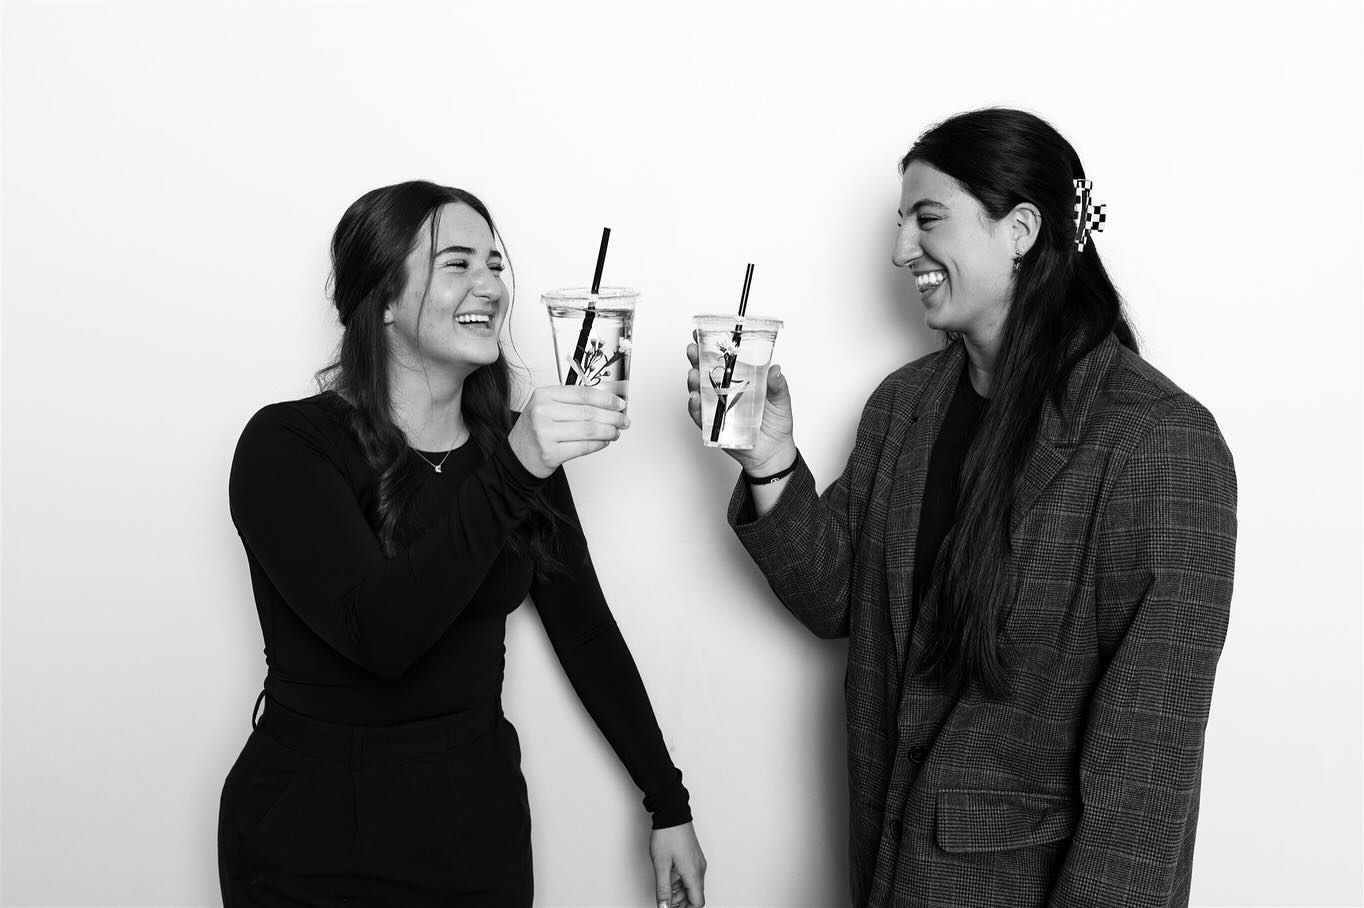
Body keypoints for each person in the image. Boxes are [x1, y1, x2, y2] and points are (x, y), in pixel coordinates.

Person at [686, 108, 1236, 907]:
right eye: (900, 221)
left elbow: (1146, 782)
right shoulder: (905, 406)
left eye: (927, 218)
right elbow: (840, 601)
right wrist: (768, 463)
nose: (901, 250)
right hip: (885, 873)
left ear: (1020, 230)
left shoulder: (1159, 444)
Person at [220, 180, 706, 907]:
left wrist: (668, 803)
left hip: (473, 823)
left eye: (496, 263)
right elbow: (379, 634)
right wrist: (518, 466)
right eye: (457, 264)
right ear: (381, 298)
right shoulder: (286, 447)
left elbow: (586, 632)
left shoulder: (511, 451)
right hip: (311, 830)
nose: (491, 285)